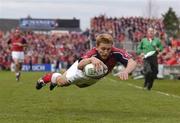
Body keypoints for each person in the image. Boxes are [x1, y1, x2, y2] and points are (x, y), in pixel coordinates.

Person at [36, 33, 137, 90]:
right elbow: (80, 65)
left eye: (108, 49)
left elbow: (132, 62)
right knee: (63, 83)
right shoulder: (92, 53)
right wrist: (91, 59)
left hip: (95, 76)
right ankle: (48, 78)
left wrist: (126, 71)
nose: (106, 52)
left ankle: (55, 80)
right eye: (103, 49)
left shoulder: (117, 52)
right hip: (81, 70)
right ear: (97, 47)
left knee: (80, 86)